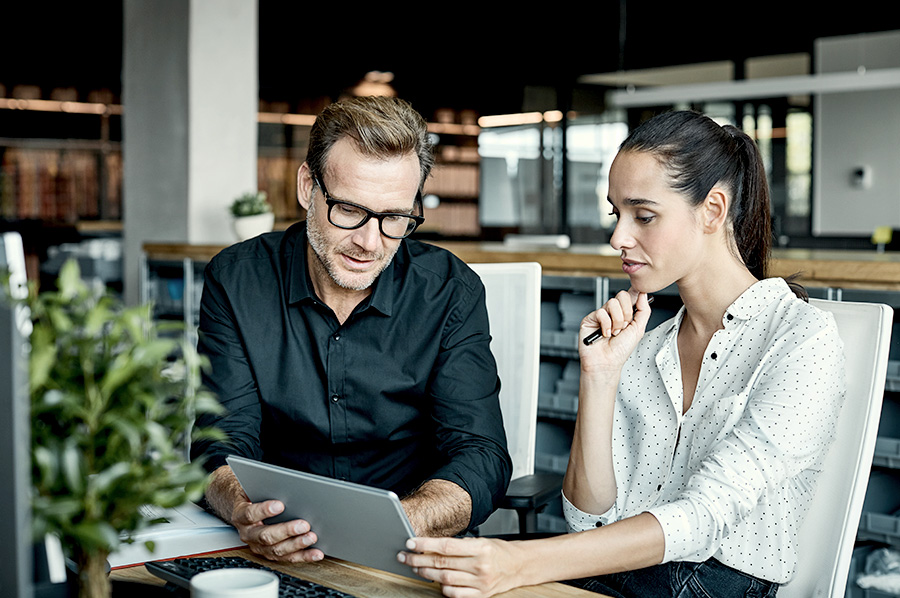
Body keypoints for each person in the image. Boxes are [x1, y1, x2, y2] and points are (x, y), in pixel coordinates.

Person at [399, 110, 846, 598]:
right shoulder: (646, 344)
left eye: (644, 215)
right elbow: (587, 519)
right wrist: (600, 377)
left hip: (713, 582)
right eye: (617, 214)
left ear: (713, 210)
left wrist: (521, 561)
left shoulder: (802, 339)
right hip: (622, 572)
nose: (617, 238)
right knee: (425, 580)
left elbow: (702, 518)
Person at [190, 96, 512, 564]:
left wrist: (398, 522)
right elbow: (220, 440)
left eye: (394, 218)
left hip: (409, 547)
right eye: (348, 210)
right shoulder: (237, 280)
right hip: (275, 543)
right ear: (307, 186)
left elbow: (480, 455)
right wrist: (244, 509)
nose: (369, 242)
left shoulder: (450, 292)